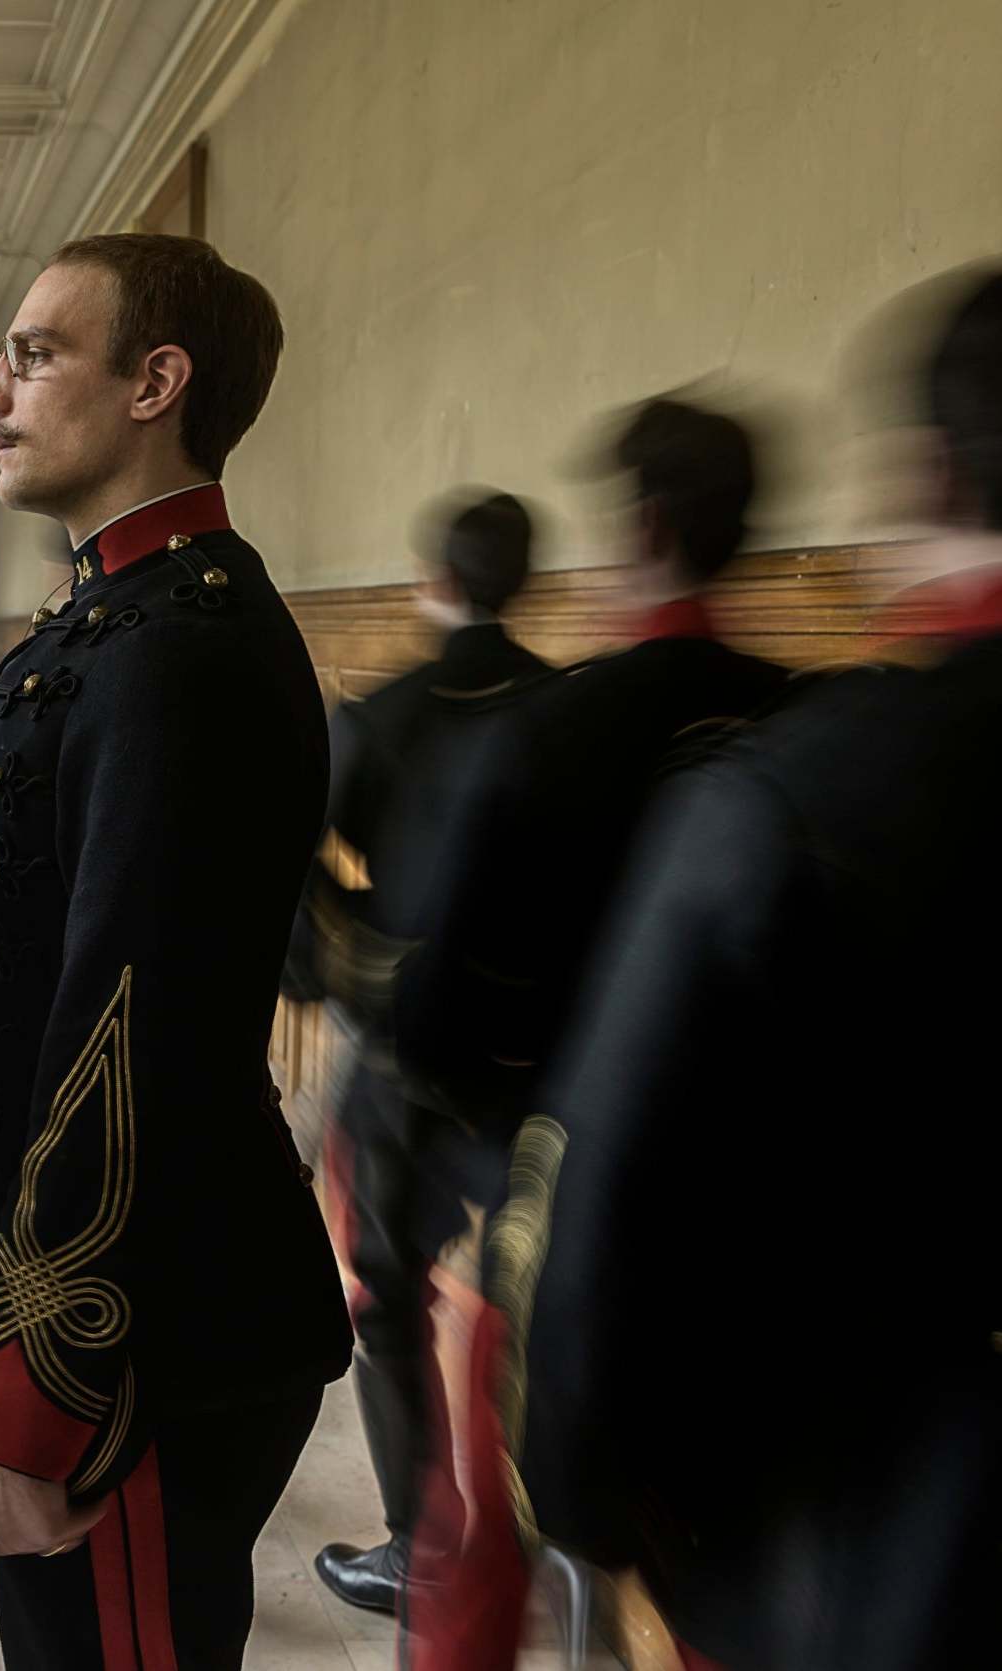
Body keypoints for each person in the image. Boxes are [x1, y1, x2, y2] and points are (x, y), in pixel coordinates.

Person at [510, 267, 1002, 1671]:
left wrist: (575, 1482)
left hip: (862, 1531)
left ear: (922, 472)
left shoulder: (803, 785)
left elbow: (601, 1194)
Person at [0, 234, 352, 1667]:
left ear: (156, 381)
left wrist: (37, 1394)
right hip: (98, 1312)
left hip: (132, 1338)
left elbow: (122, 1045)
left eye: (32, 354)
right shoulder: (122, 612)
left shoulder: (179, 647)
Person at [390, 397, 792, 1671]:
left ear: (644, 525)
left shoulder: (551, 732)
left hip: (547, 1196)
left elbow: (437, 1014)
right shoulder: (808, 720)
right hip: (782, 1209)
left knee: (479, 1536)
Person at [294, 490, 551, 1617]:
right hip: (547, 1069)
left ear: (428, 576)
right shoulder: (567, 710)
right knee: (529, 1299)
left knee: (388, 1295)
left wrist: (338, 976)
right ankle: (546, 1517)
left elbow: (293, 873)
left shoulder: (387, 714)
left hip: (406, 1061)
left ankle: (417, 1540)